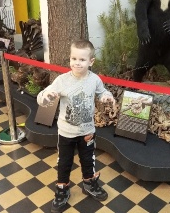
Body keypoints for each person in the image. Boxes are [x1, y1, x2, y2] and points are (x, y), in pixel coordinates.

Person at [37, 39, 115, 213]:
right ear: (70, 59)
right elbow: (41, 98)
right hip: (66, 132)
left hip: (87, 131)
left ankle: (89, 183)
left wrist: (106, 97)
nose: (77, 63)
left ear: (91, 61)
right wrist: (47, 96)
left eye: (82, 59)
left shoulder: (95, 80)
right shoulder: (62, 80)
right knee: (64, 162)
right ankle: (62, 189)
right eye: (74, 59)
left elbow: (103, 92)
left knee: (88, 160)